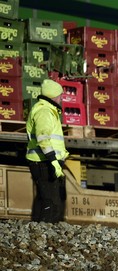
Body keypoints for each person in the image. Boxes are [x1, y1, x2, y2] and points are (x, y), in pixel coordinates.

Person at [26, 78, 68, 223]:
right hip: (44, 162)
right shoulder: (45, 111)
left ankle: (37, 229)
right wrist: (53, 161)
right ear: (54, 96)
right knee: (52, 201)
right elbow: (43, 138)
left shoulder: (47, 110)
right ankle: (46, 232)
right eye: (60, 95)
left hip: (43, 161)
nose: (62, 98)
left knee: (44, 198)